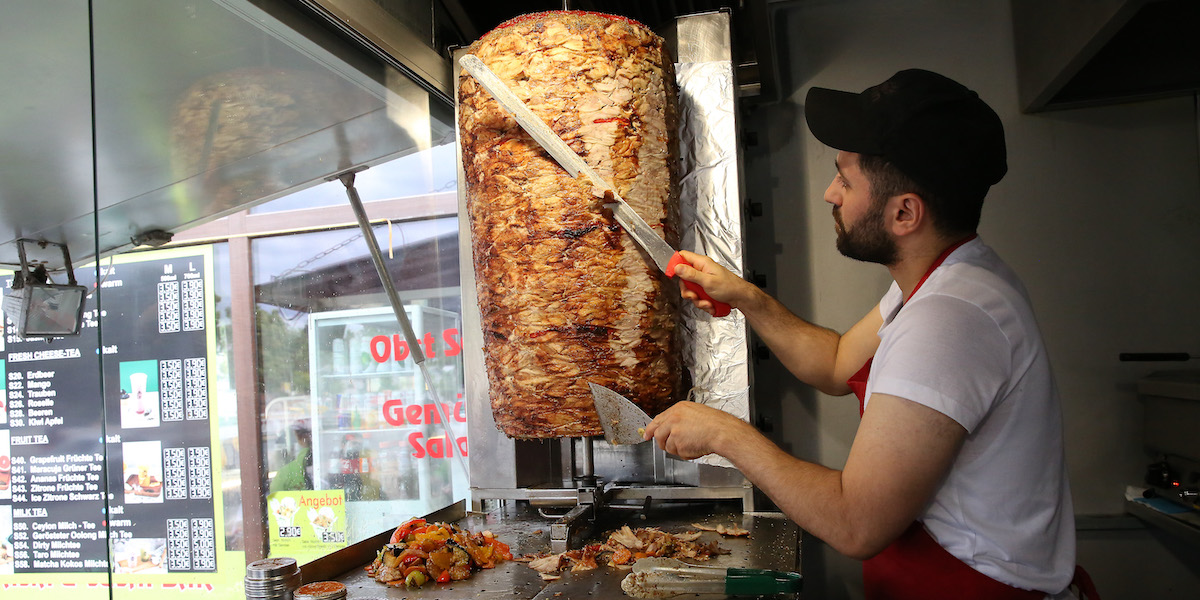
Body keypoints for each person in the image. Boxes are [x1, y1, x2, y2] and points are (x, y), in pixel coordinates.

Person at [645, 69, 1080, 599]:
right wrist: (743, 296)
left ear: (904, 213)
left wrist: (723, 434)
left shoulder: (949, 320)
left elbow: (857, 524)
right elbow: (835, 364)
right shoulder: (950, 277)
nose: (830, 194)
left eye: (846, 181)